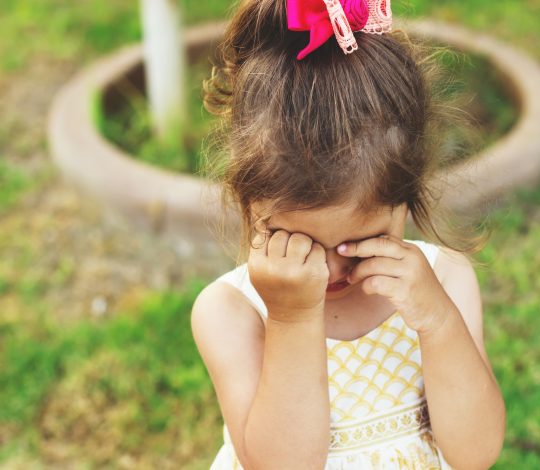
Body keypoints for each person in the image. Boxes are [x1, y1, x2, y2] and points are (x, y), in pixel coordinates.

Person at [191, 0, 506, 468]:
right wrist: (292, 320)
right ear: (251, 204)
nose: (331, 268)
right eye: (302, 244)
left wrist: (438, 324)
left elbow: (475, 454)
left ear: (407, 197)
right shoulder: (234, 312)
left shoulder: (446, 283)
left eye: (358, 243)